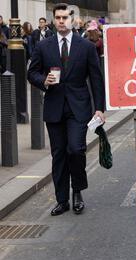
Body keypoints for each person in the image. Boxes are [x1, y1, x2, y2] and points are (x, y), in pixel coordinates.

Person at [27, 3, 105, 217]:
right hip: (54, 107)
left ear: (72, 19)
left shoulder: (86, 47)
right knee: (59, 155)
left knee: (75, 149)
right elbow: (31, 73)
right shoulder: (44, 46)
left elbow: (96, 79)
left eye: (65, 17)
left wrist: (99, 108)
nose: (61, 21)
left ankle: (77, 191)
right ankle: (62, 200)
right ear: (54, 20)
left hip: (79, 108)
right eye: (58, 17)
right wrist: (44, 80)